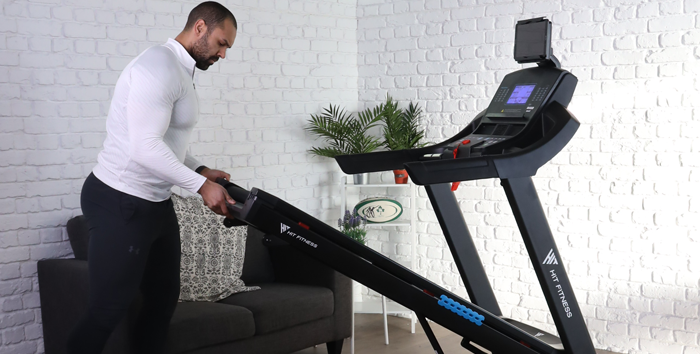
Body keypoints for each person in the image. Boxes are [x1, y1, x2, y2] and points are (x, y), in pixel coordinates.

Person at [66, 2, 238, 353]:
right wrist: (201, 186)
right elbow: (143, 148)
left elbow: (165, 140)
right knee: (107, 310)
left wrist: (200, 169)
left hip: (155, 203)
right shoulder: (158, 66)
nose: (223, 54)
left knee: (161, 303)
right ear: (200, 27)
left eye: (227, 48)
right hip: (119, 199)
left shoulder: (181, 69)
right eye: (221, 43)